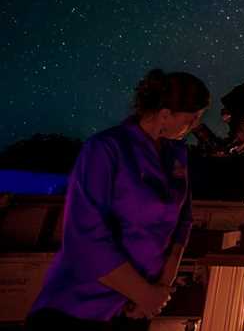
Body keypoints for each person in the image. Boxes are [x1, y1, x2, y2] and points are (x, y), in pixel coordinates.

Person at [26, 69, 210, 331]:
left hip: (135, 310)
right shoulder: (105, 149)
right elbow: (86, 236)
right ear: (165, 114)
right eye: (190, 119)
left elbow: (183, 223)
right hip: (81, 307)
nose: (193, 128)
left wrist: (158, 291)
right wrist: (142, 292)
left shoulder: (177, 155)